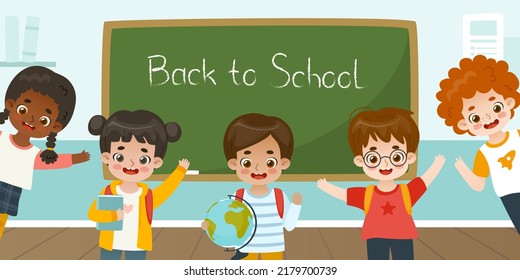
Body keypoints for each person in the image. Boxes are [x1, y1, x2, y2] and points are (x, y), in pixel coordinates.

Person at [316, 107, 445, 260]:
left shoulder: (406, 192)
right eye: (373, 158)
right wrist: (326, 187)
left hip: (403, 237)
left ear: (409, 158)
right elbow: (345, 195)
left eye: (396, 157)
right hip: (375, 238)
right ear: (360, 161)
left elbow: (424, 181)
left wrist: (437, 165)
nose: (385, 164)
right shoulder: (367, 195)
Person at [0, 66, 90, 239]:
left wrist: (75, 158)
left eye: (43, 119)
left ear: (55, 127)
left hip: (11, 190)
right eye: (23, 110)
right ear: (11, 105)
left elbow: (51, 162)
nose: (31, 119)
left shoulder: (33, 154)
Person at [87, 110, 190, 260]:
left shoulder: (147, 195)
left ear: (156, 162)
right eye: (119, 156)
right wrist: (113, 215)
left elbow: (166, 190)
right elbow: (93, 213)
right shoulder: (109, 191)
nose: (130, 163)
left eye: (143, 159)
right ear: (106, 157)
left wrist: (179, 171)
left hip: (137, 245)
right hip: (110, 244)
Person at [436, 55, 520, 234]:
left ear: (509, 102)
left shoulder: (518, 135)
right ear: (463, 123)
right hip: (509, 195)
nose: (489, 117)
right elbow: (479, 184)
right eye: (475, 117)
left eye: (496, 107)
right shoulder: (484, 153)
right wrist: (462, 168)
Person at [202, 113, 302, 260]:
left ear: (283, 163)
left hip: (273, 249)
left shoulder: (279, 197)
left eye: (270, 162)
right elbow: (227, 223)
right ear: (234, 164)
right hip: (246, 250)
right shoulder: (239, 196)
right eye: (247, 162)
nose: (257, 167)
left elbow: (289, 225)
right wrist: (209, 226)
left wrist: (296, 205)